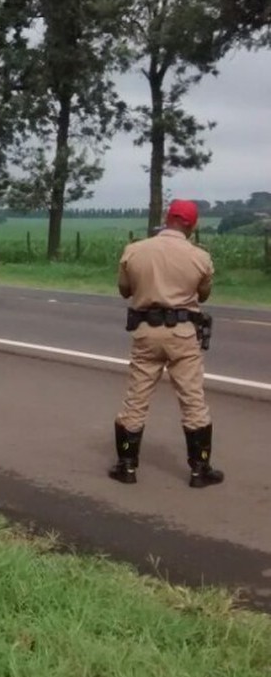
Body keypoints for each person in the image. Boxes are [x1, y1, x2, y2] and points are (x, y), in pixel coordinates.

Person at [110, 199, 223, 488]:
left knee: (136, 397)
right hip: (183, 333)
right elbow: (204, 294)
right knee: (192, 399)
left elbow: (124, 290)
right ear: (192, 224)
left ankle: (127, 466)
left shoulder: (134, 250)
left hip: (146, 330)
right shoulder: (200, 257)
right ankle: (200, 469)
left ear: (166, 217)